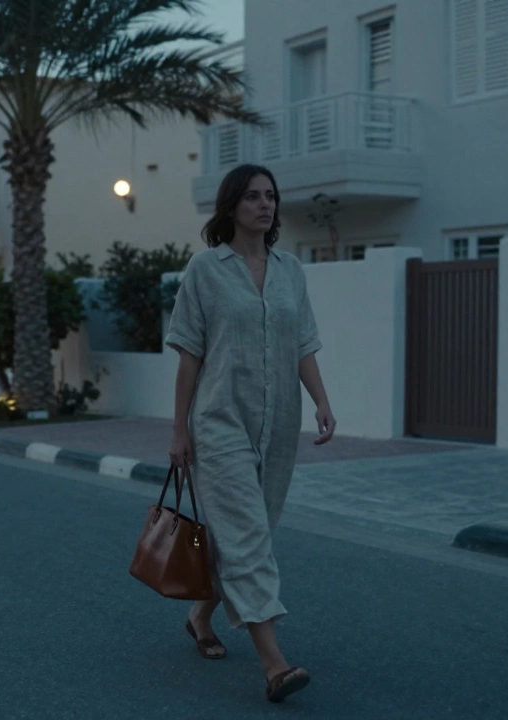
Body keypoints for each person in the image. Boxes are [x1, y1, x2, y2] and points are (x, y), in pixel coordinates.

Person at [163, 163, 335, 703]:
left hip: (278, 424)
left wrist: (322, 401)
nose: (266, 205)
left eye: (271, 197)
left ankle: (200, 617)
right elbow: (189, 353)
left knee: (243, 533)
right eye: (254, 197)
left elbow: (302, 342)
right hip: (219, 424)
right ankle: (274, 664)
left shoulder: (291, 271)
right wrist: (179, 430)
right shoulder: (204, 271)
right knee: (249, 540)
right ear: (232, 205)